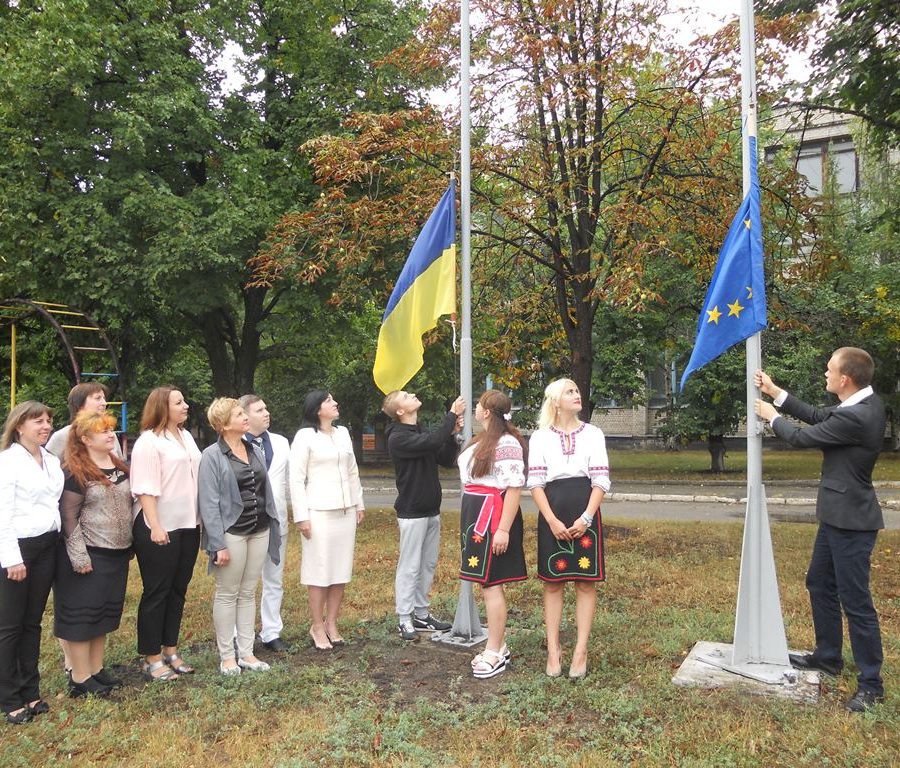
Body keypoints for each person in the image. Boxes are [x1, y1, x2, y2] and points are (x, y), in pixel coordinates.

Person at [754, 347, 887, 713]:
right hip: (837, 516)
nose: (825, 374)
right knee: (819, 583)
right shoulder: (860, 403)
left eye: (830, 370)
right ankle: (828, 657)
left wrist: (771, 416)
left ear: (845, 379)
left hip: (852, 523)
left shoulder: (859, 416)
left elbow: (802, 438)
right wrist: (775, 391)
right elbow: (817, 415)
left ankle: (871, 684)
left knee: (856, 602)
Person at [527, 378, 609, 679]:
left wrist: (586, 517)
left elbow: (601, 479)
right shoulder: (540, 438)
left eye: (577, 390)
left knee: (585, 582)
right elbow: (535, 483)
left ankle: (580, 651)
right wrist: (551, 519)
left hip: (585, 511)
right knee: (553, 582)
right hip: (553, 512)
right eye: (569, 391)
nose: (577, 394)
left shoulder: (593, 434)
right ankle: (553, 650)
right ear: (555, 401)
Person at [199, 398, 281, 675]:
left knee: (248, 592)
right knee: (227, 593)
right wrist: (217, 543)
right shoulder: (212, 455)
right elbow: (209, 503)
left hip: (259, 529)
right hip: (232, 533)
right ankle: (227, 656)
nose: (245, 417)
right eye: (238, 414)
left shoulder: (253, 448)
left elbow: (264, 488)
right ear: (223, 425)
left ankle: (246, 653)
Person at [54, 411, 132, 698]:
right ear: (86, 439)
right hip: (88, 555)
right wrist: (79, 556)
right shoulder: (75, 471)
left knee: (102, 616)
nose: (111, 435)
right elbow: (68, 516)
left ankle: (96, 670)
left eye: (111, 429)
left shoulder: (118, 465)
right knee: (82, 618)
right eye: (104, 431)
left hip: (116, 554)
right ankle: (80, 677)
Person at [129, 386, 202, 682]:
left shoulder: (186, 436)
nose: (186, 406)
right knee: (157, 591)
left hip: (188, 524)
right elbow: (144, 488)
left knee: (178, 589)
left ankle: (170, 650)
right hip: (158, 525)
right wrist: (155, 525)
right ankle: (152, 657)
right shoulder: (149, 442)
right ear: (162, 407)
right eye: (178, 402)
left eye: (184, 401)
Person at [383, 391, 465, 641]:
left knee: (427, 564)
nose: (413, 395)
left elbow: (445, 458)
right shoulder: (397, 437)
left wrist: (452, 436)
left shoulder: (419, 432)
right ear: (400, 411)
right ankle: (404, 618)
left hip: (431, 509)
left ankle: (421, 614)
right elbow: (432, 441)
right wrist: (451, 415)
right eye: (406, 396)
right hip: (412, 512)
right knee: (409, 567)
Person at [0, 401, 63, 724]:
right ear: (19, 426)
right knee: (10, 625)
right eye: (38, 421)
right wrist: (12, 558)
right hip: (18, 548)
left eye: (48, 420)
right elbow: (3, 513)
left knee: (32, 622)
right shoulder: (8, 461)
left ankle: (30, 689)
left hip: (46, 546)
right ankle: (9, 696)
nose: (46, 426)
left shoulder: (50, 460)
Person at [458, 390, 527, 678]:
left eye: (478, 405)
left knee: (491, 583)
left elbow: (514, 488)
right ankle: (498, 645)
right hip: (475, 516)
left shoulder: (507, 442)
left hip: (493, 517)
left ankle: (495, 650)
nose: (475, 408)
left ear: (486, 411)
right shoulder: (482, 439)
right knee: (485, 582)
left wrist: (503, 529)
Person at [289, 390, 365, 650]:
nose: (335, 403)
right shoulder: (305, 436)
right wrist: (301, 516)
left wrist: (358, 503)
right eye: (329, 400)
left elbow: (352, 471)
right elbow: (296, 479)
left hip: (345, 512)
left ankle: (331, 622)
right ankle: (317, 625)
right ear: (316, 408)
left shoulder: (342, 433)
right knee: (319, 570)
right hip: (318, 513)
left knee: (340, 569)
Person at [240, 394, 291, 652]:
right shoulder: (235, 444)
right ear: (245, 416)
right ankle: (241, 635)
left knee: (274, 579)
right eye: (259, 410)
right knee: (244, 583)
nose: (266, 413)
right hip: (246, 523)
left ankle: (271, 632)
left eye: (266, 408)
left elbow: (289, 481)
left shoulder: (281, 442)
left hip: (276, 521)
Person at [46, 382, 123, 459]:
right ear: (80, 404)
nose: (104, 403)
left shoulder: (110, 434)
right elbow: (47, 464)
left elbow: (120, 463)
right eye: (98, 398)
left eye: (104, 399)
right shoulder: (63, 436)